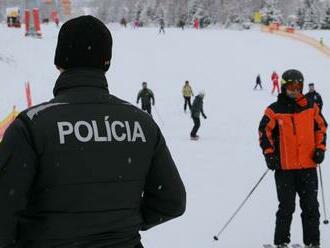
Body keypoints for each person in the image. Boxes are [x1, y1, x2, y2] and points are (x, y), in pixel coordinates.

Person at [0, 15, 186, 248]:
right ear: (106, 62)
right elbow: (171, 201)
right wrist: (119, 222)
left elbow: (4, 212)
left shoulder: (32, 125)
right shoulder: (142, 123)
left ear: (59, 62)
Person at [258, 69, 327, 248]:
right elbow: (264, 132)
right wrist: (269, 155)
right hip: (285, 169)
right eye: (291, 86)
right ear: (283, 87)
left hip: (308, 167)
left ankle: (312, 242)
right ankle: (281, 242)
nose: (294, 90)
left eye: (298, 86)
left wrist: (320, 149)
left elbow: (321, 128)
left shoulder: (311, 107)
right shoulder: (274, 110)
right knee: (286, 207)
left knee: (311, 207)